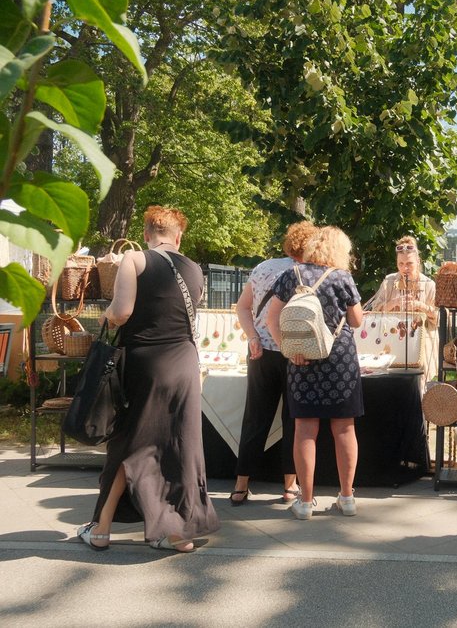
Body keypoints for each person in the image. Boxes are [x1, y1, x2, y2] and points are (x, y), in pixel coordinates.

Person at [78, 205, 219, 553]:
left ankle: (101, 529)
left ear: (145, 234)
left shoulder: (135, 259)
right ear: (178, 235)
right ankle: (174, 532)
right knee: (178, 447)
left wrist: (106, 315)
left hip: (147, 363)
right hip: (185, 365)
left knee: (128, 443)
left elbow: (123, 311)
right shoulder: (194, 268)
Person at [266, 225, 364, 520]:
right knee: (344, 428)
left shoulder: (291, 275)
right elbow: (356, 321)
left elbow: (272, 319)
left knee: (304, 429)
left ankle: (305, 502)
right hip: (339, 359)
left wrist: (287, 348)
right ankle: (346, 498)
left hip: (301, 357)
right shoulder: (342, 277)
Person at [229, 222, 318, 506]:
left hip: (261, 351)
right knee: (293, 420)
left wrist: (253, 336)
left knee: (255, 418)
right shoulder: (310, 275)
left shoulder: (263, 268)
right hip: (297, 353)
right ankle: (289, 486)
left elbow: (243, 307)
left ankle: (241, 484)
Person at [366, 235, 438, 379]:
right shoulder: (389, 281)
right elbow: (375, 310)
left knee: (418, 385)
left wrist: (420, 306)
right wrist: (394, 302)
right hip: (392, 342)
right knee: (393, 381)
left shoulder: (428, 284)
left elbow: (438, 317)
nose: (405, 268)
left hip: (420, 345)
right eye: (401, 264)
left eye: (410, 263)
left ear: (418, 261)